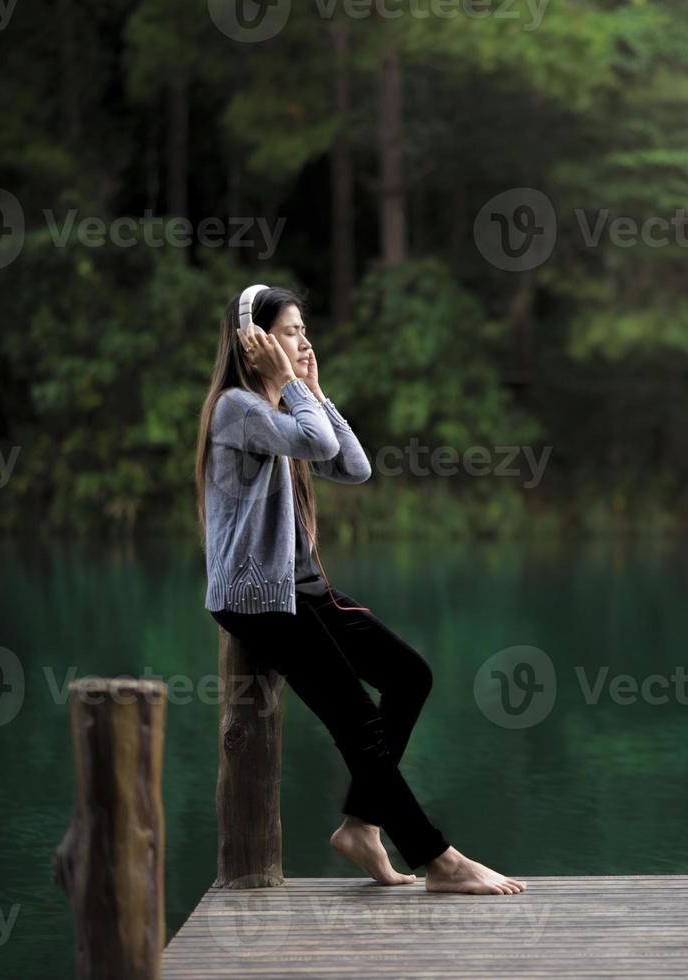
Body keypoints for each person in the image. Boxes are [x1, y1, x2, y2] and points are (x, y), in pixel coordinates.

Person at [194, 284, 526, 895]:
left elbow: (352, 465)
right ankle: (439, 860)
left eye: (302, 330)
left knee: (409, 675)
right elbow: (316, 443)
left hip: (301, 590)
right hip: (256, 597)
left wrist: (314, 391)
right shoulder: (238, 409)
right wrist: (295, 389)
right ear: (255, 341)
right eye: (291, 331)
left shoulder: (284, 408)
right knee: (356, 719)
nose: (304, 342)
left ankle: (362, 825)